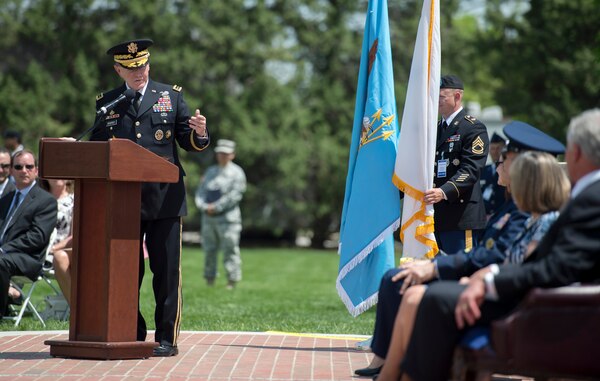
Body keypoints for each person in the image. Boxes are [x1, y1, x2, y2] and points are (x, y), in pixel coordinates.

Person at [400, 109, 600, 381]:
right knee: (436, 296)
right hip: (548, 301)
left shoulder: (591, 200)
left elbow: (558, 268)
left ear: (575, 153)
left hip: (550, 308)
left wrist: (490, 281)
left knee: (437, 300)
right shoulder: (585, 197)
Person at [354, 121, 563, 378]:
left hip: (504, 297)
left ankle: (393, 372)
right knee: (402, 284)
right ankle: (389, 367)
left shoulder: (539, 217)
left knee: (417, 296)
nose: (497, 163)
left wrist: (450, 271)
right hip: (492, 286)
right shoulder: (521, 210)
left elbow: (506, 262)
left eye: (505, 159)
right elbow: (501, 257)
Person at [90, 38, 210, 357]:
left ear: (149, 64)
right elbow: (97, 147)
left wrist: (199, 133)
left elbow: (187, 141)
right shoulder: (108, 102)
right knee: (128, 272)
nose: (138, 72)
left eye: (142, 65)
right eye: (130, 68)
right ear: (118, 70)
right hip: (125, 201)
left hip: (165, 200)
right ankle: (133, 330)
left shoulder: (170, 96)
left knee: (166, 272)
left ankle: (166, 337)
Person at [425, 75, 489, 254]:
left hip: (461, 217)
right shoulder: (434, 129)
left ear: (457, 96)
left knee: (461, 275)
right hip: (436, 217)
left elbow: (471, 169)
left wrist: (444, 191)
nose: (436, 101)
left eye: (441, 97)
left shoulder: (472, 128)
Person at [0, 150, 57, 317]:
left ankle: (2, 310)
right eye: (18, 167)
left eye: (29, 166)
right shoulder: (6, 199)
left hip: (28, 258)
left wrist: (4, 249)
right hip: (6, 255)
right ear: (11, 171)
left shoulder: (45, 201)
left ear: (37, 170)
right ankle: (10, 295)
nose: (24, 170)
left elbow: (37, 237)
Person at [195, 139, 247, 289]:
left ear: (232, 155)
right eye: (219, 153)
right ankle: (209, 279)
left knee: (230, 250)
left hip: (228, 220)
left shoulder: (237, 173)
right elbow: (201, 191)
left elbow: (235, 195)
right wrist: (204, 206)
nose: (222, 156)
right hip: (209, 219)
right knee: (209, 250)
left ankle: (232, 280)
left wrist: (216, 207)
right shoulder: (211, 171)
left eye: (225, 153)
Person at [39, 179, 74, 304]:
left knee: (60, 257)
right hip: (37, 250)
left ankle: (75, 309)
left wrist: (52, 249)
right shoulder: (38, 200)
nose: (58, 177)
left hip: (58, 251)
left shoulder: (75, 200)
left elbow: (73, 237)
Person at [480, 132, 506, 218]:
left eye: (498, 148)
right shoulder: (482, 170)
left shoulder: (508, 171)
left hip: (501, 215)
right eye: (492, 148)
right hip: (484, 217)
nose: (495, 152)